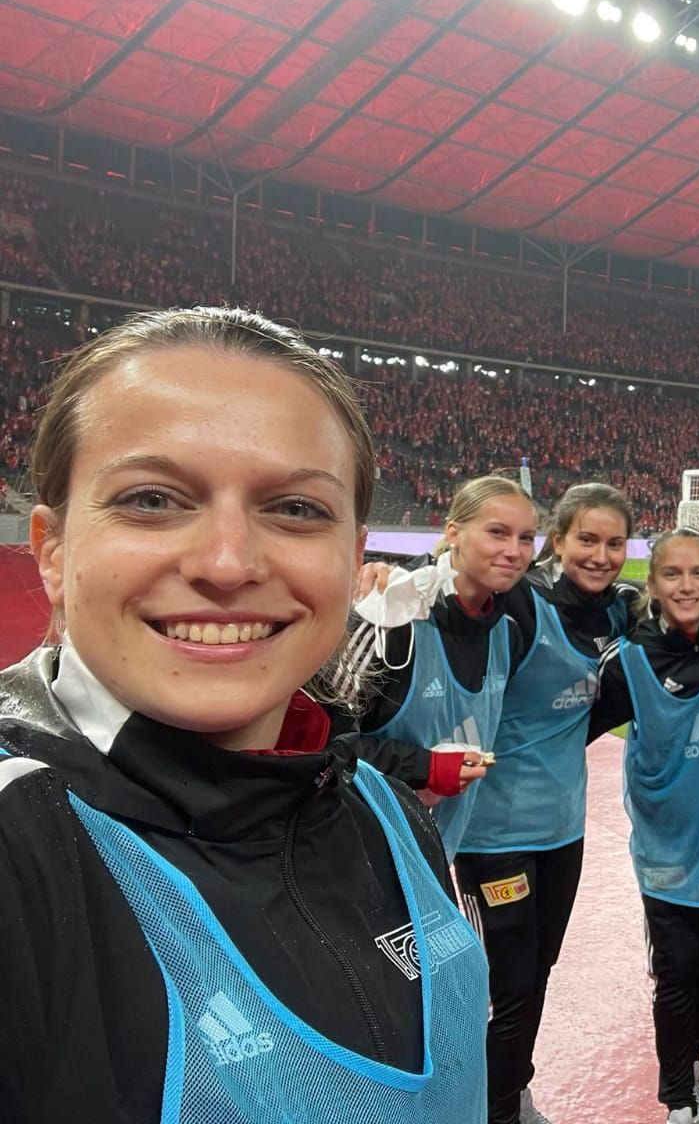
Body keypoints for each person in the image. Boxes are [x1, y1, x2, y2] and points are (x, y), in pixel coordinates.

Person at [0, 307, 488, 1123]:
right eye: (153, 498)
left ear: (352, 552)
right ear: (52, 550)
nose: (228, 564)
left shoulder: (385, 810)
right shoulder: (21, 849)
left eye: (296, 509)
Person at [454, 482, 641, 1124]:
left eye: (615, 542)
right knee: (506, 983)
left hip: (562, 830)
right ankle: (490, 1107)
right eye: (586, 539)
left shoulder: (622, 612)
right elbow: (458, 597)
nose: (601, 554)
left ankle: (509, 1090)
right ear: (556, 543)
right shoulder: (521, 605)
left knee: (537, 972)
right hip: (491, 833)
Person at [591, 530, 699, 1124]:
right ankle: (680, 1100)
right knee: (677, 975)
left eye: (698, 573)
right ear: (653, 586)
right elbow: (562, 731)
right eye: (671, 574)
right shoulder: (628, 660)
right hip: (666, 847)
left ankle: (690, 1062)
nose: (686, 585)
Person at [350, 474, 539, 858]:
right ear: (453, 532)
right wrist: (426, 767)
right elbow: (316, 745)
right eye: (498, 533)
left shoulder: (508, 634)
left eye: (526, 538)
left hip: (435, 854)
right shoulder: (390, 616)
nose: (514, 551)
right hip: (359, 854)